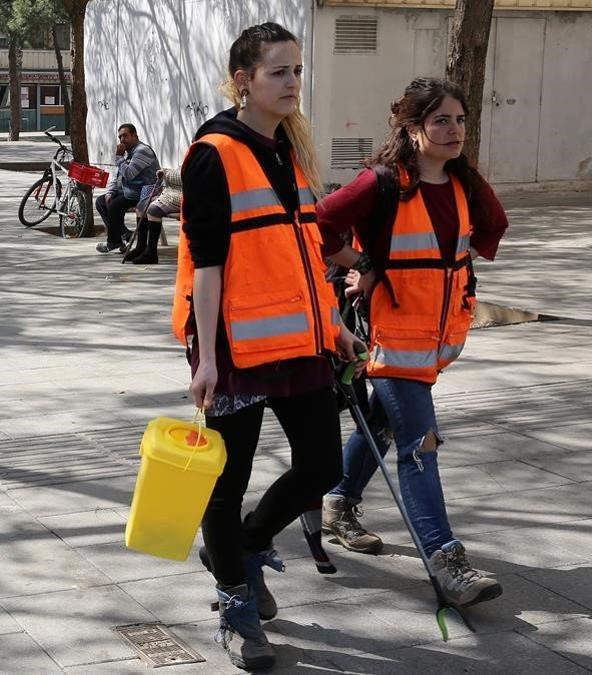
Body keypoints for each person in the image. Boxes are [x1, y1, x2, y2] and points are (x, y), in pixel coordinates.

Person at [174, 22, 362, 670]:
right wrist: (205, 358)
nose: (292, 83)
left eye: (297, 71)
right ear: (243, 81)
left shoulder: (288, 149)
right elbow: (206, 263)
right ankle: (235, 601)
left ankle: (247, 546)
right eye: (278, 72)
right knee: (225, 484)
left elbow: (305, 251)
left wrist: (332, 322)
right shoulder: (212, 154)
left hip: (300, 340)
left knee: (323, 466)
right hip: (233, 348)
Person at [317, 77, 509, 606]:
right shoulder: (381, 183)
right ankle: (445, 560)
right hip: (391, 340)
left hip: (438, 339)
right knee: (420, 445)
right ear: (413, 127)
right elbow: (319, 225)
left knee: (381, 420)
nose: (454, 130)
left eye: (461, 119)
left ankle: (338, 500)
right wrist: (364, 264)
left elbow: (491, 230)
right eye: (441, 120)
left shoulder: (465, 184)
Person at [95, 124, 157, 253]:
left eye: (125, 136)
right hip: (130, 191)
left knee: (114, 206)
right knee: (101, 202)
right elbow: (117, 175)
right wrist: (111, 192)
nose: (122, 139)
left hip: (143, 193)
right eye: (120, 137)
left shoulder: (142, 151)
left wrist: (118, 158)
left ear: (135, 136)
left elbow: (129, 174)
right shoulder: (127, 153)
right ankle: (123, 236)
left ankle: (112, 242)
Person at [125, 167, 181, 265]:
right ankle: (140, 247)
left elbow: (185, 175)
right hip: (171, 192)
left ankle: (151, 253)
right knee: (141, 206)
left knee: (153, 210)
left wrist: (166, 173)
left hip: (184, 194)